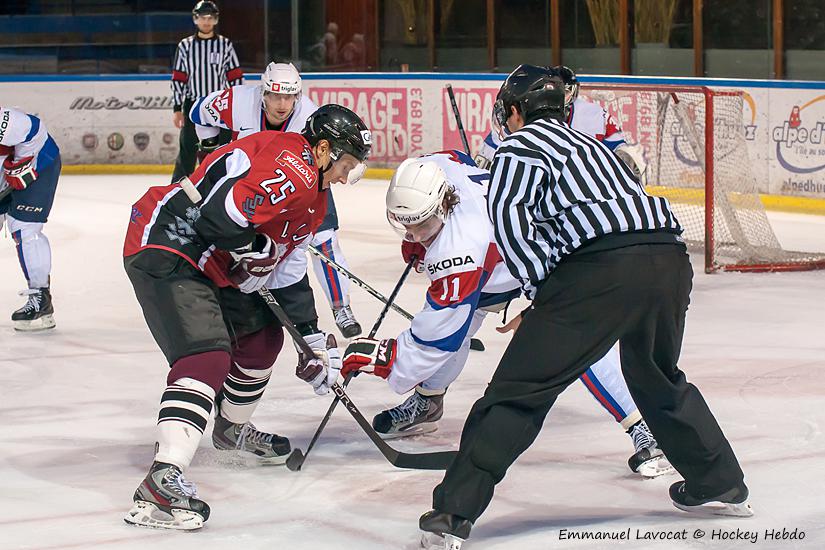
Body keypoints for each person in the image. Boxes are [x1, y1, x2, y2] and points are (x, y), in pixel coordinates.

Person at [417, 65, 751, 550]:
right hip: (668, 263)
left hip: (599, 272)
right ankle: (720, 480)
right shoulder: (595, 147)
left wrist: (541, 291)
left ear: (514, 112)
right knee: (657, 376)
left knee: (518, 391)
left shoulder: (518, 145)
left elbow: (511, 223)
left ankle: (453, 511)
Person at [339, 150, 671, 478]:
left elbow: (435, 342)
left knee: (577, 344)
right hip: (499, 262)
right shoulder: (436, 170)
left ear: (441, 206)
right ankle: (428, 402)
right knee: (465, 327)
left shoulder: (459, 250)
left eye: (421, 224)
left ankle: (645, 427)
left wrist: (383, 358)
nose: (411, 234)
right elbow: (455, 156)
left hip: (552, 260)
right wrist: (420, 235)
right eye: (404, 225)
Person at [122, 105, 371, 530]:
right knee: (207, 355)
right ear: (324, 148)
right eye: (345, 164)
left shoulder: (314, 194)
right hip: (171, 240)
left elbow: (287, 271)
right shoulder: (295, 162)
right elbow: (225, 216)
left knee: (262, 337)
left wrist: (309, 337)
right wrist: (253, 246)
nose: (347, 177)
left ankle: (230, 430)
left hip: (212, 257)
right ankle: (161, 481)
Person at [190, 61, 365, 338]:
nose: (283, 103)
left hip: (307, 181)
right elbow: (197, 112)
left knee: (324, 238)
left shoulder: (309, 114)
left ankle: (341, 307)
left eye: (289, 96)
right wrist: (210, 151)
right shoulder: (237, 101)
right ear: (263, 93)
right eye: (275, 95)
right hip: (253, 182)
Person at [474, 65, 643, 181]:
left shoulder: (594, 115)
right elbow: (486, 160)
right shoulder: (518, 117)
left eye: (565, 92)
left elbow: (622, 154)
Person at [0, 106, 61, 331]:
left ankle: (40, 299)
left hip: (37, 165)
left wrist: (24, 161)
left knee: (24, 228)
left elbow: (33, 129)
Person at [170, 0, 242, 183]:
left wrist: (239, 103)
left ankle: (221, 186)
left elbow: (235, 77)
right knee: (188, 150)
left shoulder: (225, 45)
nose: (206, 21)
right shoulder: (185, 46)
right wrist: (177, 108)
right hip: (193, 103)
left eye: (210, 17)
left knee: (223, 149)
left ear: (216, 20)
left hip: (220, 104)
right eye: (203, 17)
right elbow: (179, 78)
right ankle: (177, 190)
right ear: (196, 19)